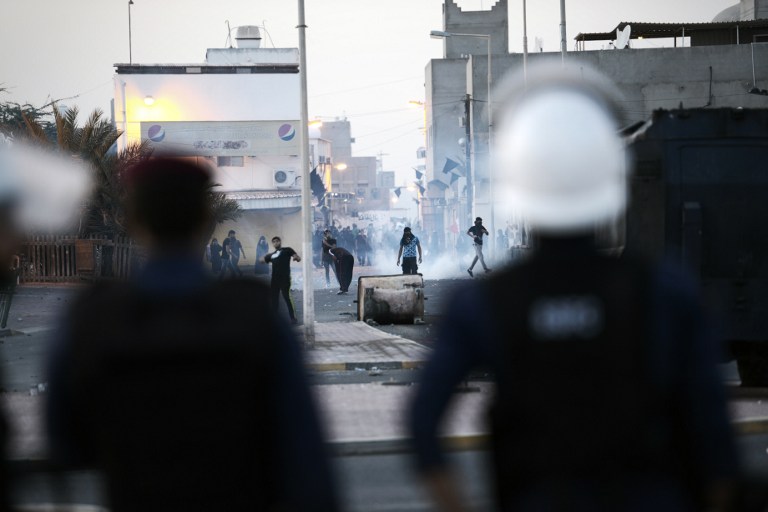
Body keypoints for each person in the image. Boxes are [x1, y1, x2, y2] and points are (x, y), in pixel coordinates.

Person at [408, 63, 738, 512]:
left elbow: (422, 423)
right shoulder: (665, 290)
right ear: (612, 173)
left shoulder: (483, 303)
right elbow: (715, 440)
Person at [46, 157, 338, 512]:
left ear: (134, 220)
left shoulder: (93, 317)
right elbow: (305, 457)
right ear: (204, 219)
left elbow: (66, 442)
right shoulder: (253, 316)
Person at [264, 236, 301, 324]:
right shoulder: (272, 255)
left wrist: (296, 258)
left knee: (286, 297)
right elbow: (263, 259)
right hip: (274, 280)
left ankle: (293, 318)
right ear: (272, 244)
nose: (275, 243)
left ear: (280, 242)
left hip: (285, 279)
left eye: (277, 241)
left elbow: (297, 257)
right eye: (274, 242)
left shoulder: (287, 250)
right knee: (274, 299)